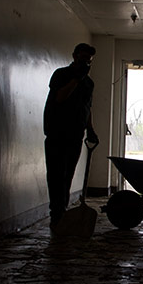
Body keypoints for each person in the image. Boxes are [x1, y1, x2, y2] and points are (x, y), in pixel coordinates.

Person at [43, 43, 99, 230]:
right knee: (56, 175)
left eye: (88, 60)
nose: (85, 62)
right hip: (56, 132)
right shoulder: (61, 75)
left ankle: (62, 212)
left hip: (76, 134)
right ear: (74, 56)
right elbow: (59, 97)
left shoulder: (88, 83)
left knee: (67, 175)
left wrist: (90, 128)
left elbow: (86, 107)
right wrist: (76, 79)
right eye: (82, 58)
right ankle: (56, 214)